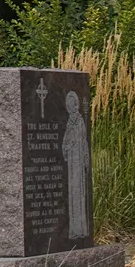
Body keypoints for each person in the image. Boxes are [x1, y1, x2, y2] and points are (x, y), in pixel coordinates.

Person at [61, 87, 91, 241]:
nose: (69, 107)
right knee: (73, 194)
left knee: (79, 193)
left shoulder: (79, 121)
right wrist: (65, 147)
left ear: (75, 105)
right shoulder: (70, 121)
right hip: (71, 163)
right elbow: (66, 140)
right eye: (68, 105)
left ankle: (81, 229)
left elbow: (83, 141)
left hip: (78, 162)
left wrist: (85, 159)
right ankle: (74, 229)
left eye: (72, 104)